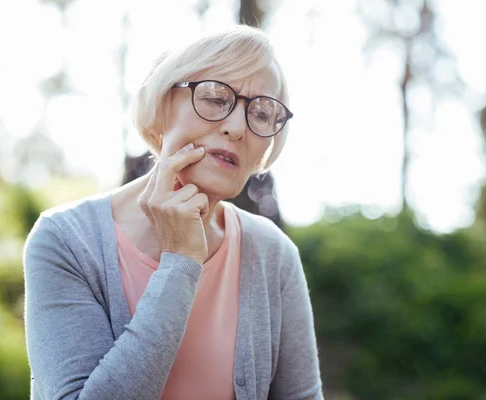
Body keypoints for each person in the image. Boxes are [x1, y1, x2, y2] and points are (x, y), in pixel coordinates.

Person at [23, 25, 323, 400]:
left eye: (261, 114)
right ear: (164, 104)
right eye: (215, 97)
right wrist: (180, 262)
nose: (236, 128)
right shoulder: (65, 239)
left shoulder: (274, 254)